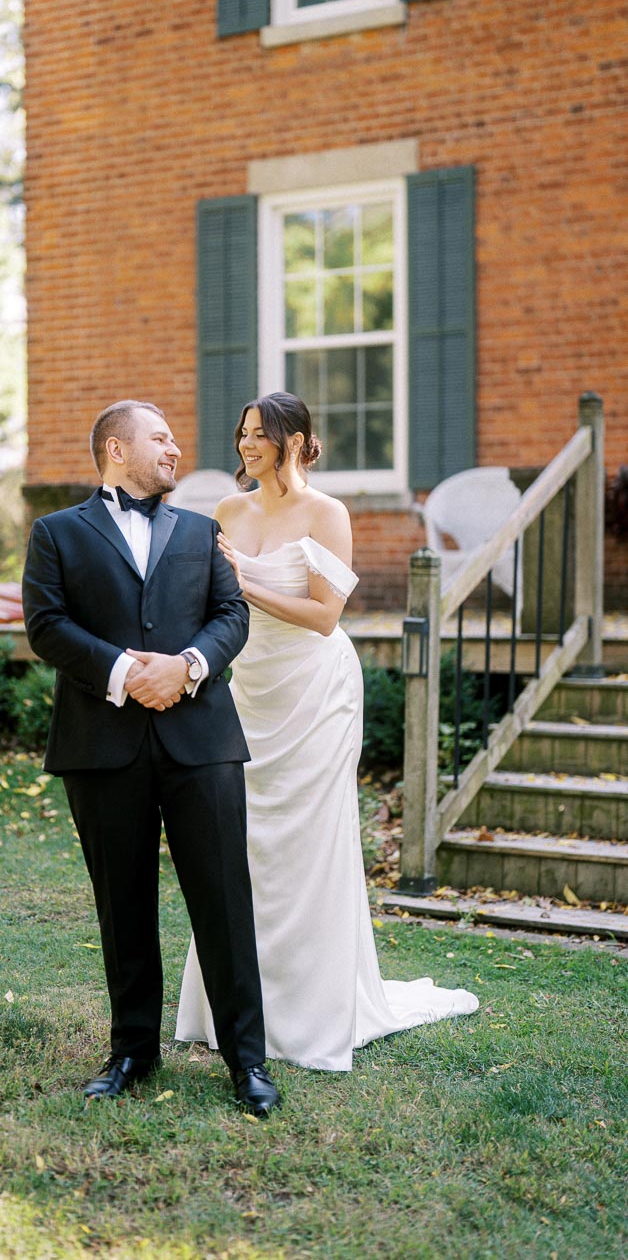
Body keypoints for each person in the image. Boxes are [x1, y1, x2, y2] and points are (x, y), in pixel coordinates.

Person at [175, 392, 478, 1071]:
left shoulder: (327, 514)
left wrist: (246, 587)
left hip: (315, 693)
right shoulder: (227, 511)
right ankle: (230, 1006)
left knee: (308, 845)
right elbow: (215, 602)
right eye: (242, 433)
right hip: (249, 691)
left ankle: (311, 1014)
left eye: (258, 435)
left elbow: (323, 617)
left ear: (293, 441)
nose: (245, 445)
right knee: (242, 842)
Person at [22, 399, 280, 1115]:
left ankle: (247, 1062)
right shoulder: (56, 534)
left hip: (202, 742)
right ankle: (133, 1050)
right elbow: (46, 625)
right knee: (123, 904)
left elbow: (234, 616)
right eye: (159, 439)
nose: (174, 450)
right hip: (102, 745)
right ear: (115, 448)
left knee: (224, 900)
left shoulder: (204, 532)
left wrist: (187, 666)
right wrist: (125, 675)